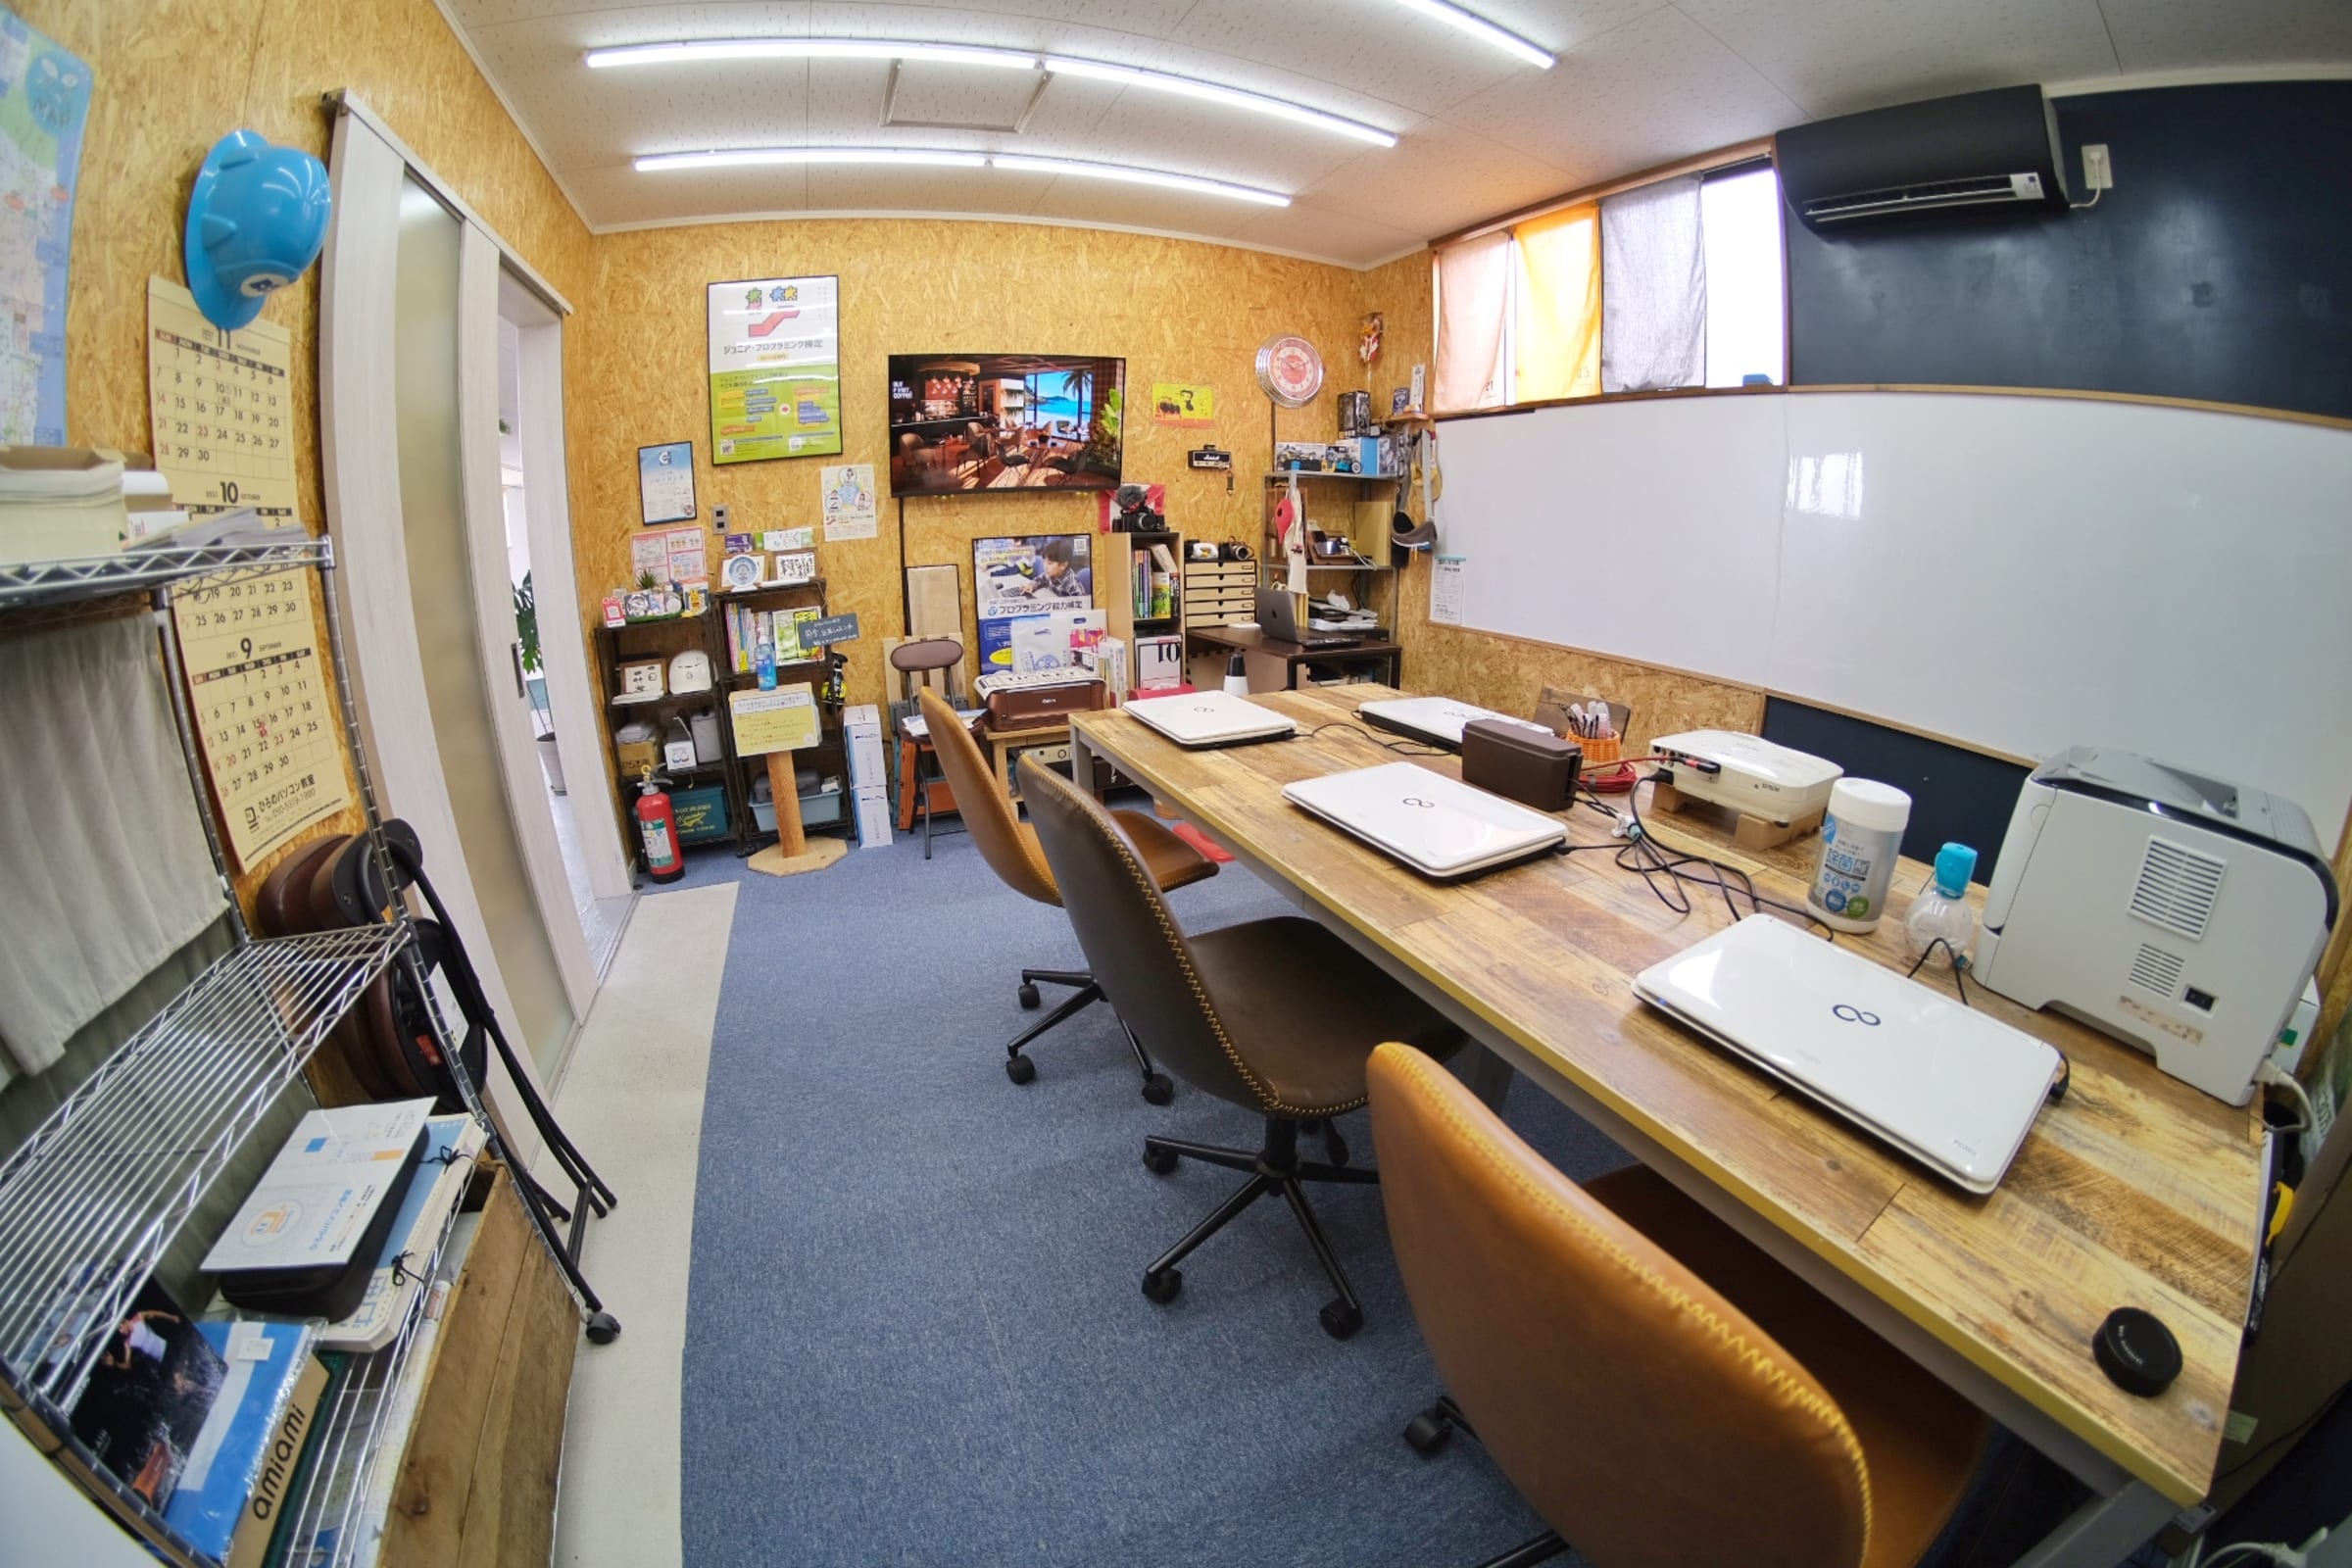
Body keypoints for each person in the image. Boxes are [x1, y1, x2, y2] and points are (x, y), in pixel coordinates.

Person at [1023, 537, 1091, 600]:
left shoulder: (1072, 585)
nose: (1045, 566)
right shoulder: (1049, 573)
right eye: (1044, 562)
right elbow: (1040, 580)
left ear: (1063, 565)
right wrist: (1031, 585)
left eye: (1049, 563)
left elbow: (1081, 603)